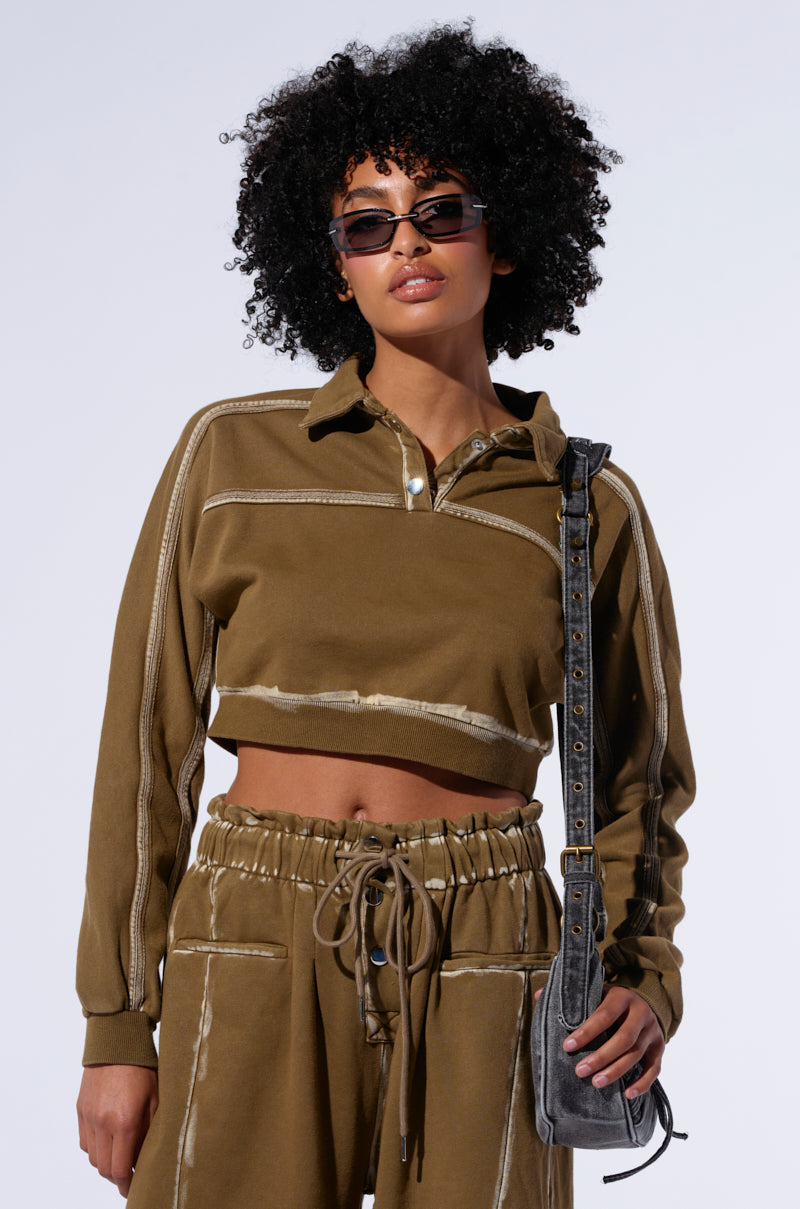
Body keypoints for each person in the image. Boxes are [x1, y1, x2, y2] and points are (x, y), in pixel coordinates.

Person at [76, 24, 693, 1209]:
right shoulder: (230, 455)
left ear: (501, 236)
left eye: (439, 211)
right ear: (334, 267)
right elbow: (145, 746)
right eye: (366, 225)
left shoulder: (584, 503)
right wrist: (117, 1023)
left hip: (494, 945)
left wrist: (642, 974)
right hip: (253, 920)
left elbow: (638, 780)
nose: (404, 243)